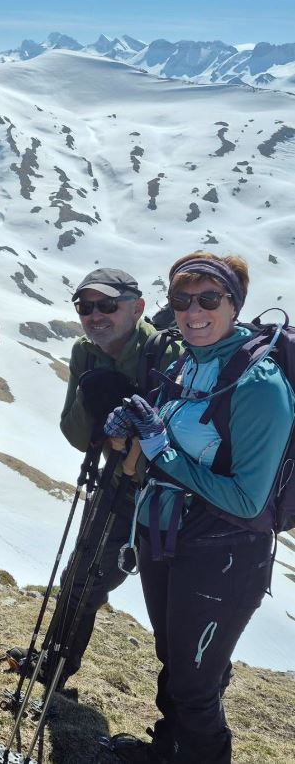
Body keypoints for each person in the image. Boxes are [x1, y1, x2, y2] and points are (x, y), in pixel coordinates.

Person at [102, 252, 294, 764]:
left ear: (235, 305)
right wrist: (132, 432)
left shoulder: (259, 384)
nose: (194, 311)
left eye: (209, 298)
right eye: (182, 300)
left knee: (194, 685)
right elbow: (169, 446)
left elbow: (247, 499)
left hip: (225, 554)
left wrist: (162, 448)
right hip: (168, 537)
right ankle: (169, 749)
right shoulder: (187, 359)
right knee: (176, 661)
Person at [21, 268, 181, 692]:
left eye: (108, 305)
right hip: (115, 485)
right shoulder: (85, 354)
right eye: (86, 306)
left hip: (171, 497)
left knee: (174, 606)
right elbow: (75, 435)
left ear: (138, 307)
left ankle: (182, 728)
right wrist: (93, 397)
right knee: (81, 575)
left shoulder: (168, 353)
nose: (95, 315)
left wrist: (122, 420)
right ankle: (54, 664)